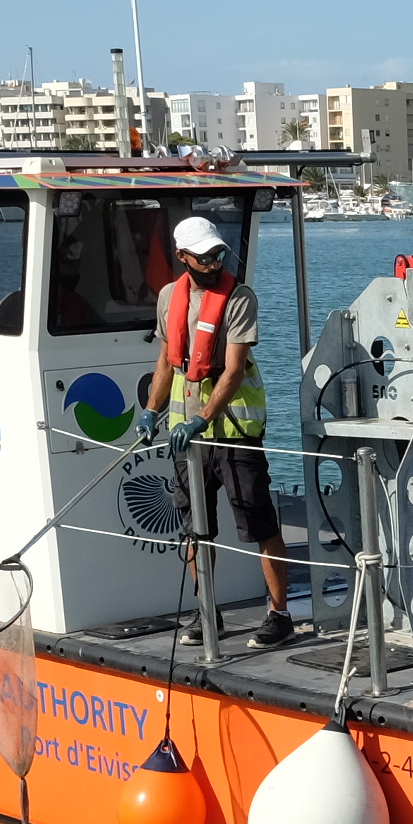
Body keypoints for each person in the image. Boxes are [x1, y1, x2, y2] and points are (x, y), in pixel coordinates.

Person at [139, 213, 295, 649]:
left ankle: (279, 615)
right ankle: (208, 611)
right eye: (204, 256)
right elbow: (167, 360)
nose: (213, 262)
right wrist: (152, 410)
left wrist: (201, 418)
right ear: (182, 255)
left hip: (233, 431)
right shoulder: (170, 296)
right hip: (187, 438)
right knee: (195, 527)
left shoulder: (240, 298)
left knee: (260, 522)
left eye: (218, 254)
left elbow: (233, 369)